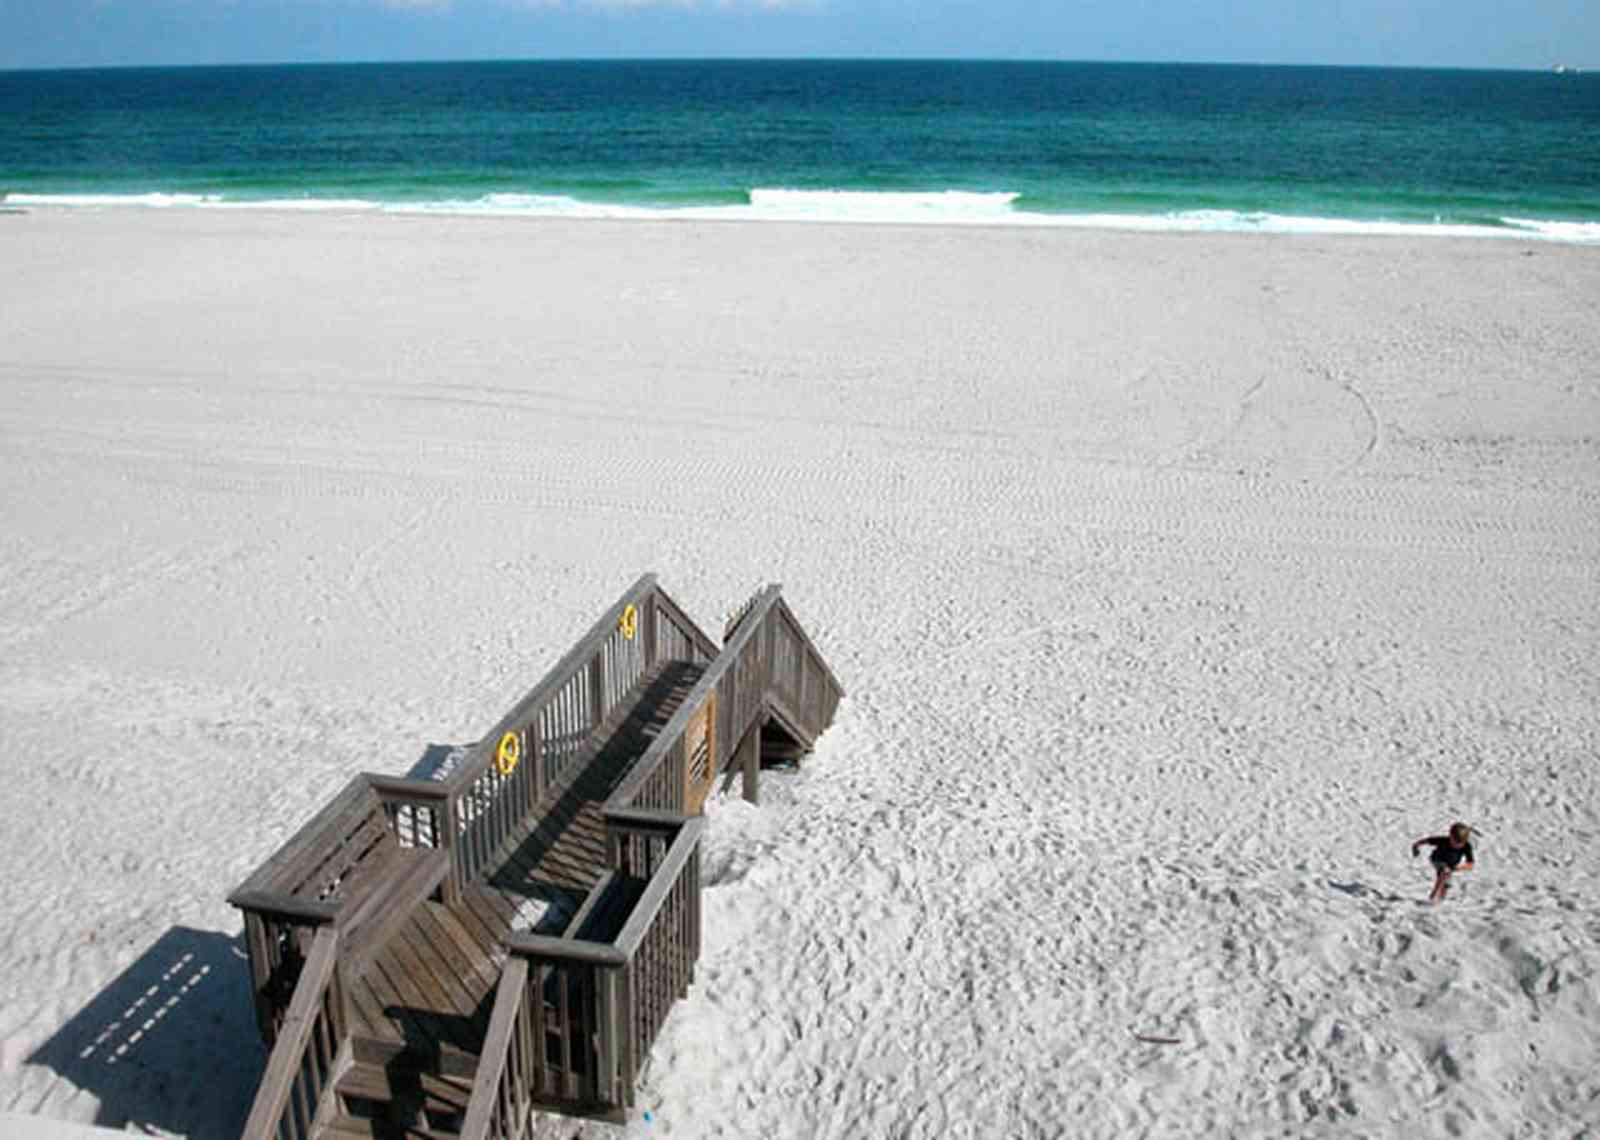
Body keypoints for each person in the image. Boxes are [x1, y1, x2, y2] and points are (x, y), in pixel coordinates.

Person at [1412, 822, 1475, 903]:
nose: (1456, 845)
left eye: (1459, 844)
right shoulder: (1443, 840)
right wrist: (1415, 846)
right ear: (1450, 836)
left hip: (1452, 865)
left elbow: (1470, 864)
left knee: (1446, 883)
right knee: (1444, 872)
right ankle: (1433, 897)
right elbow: (1427, 841)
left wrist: (1459, 868)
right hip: (1437, 860)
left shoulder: (1467, 846)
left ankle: (1441, 900)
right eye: (1454, 842)